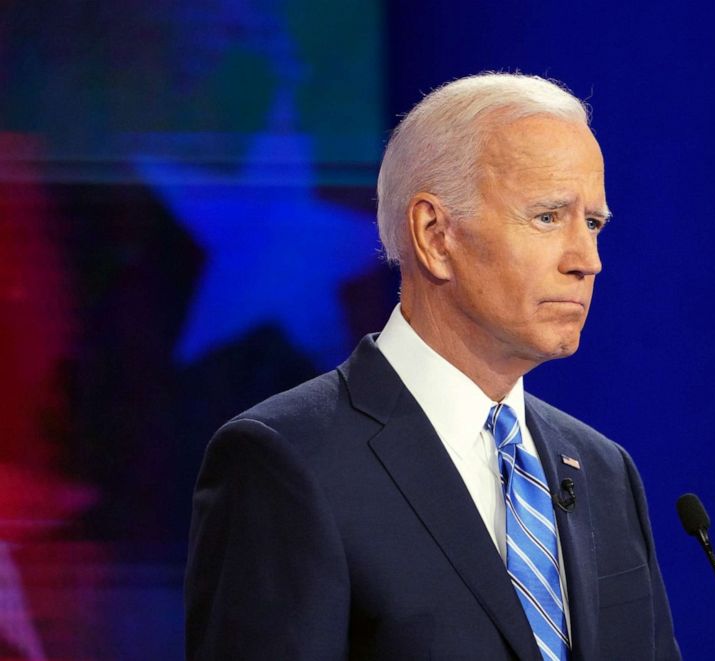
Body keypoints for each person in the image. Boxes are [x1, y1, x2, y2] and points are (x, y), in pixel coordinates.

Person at [185, 72, 681, 661]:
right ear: (434, 235)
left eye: (593, 223)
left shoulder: (604, 471)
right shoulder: (285, 461)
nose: (587, 260)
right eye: (549, 217)